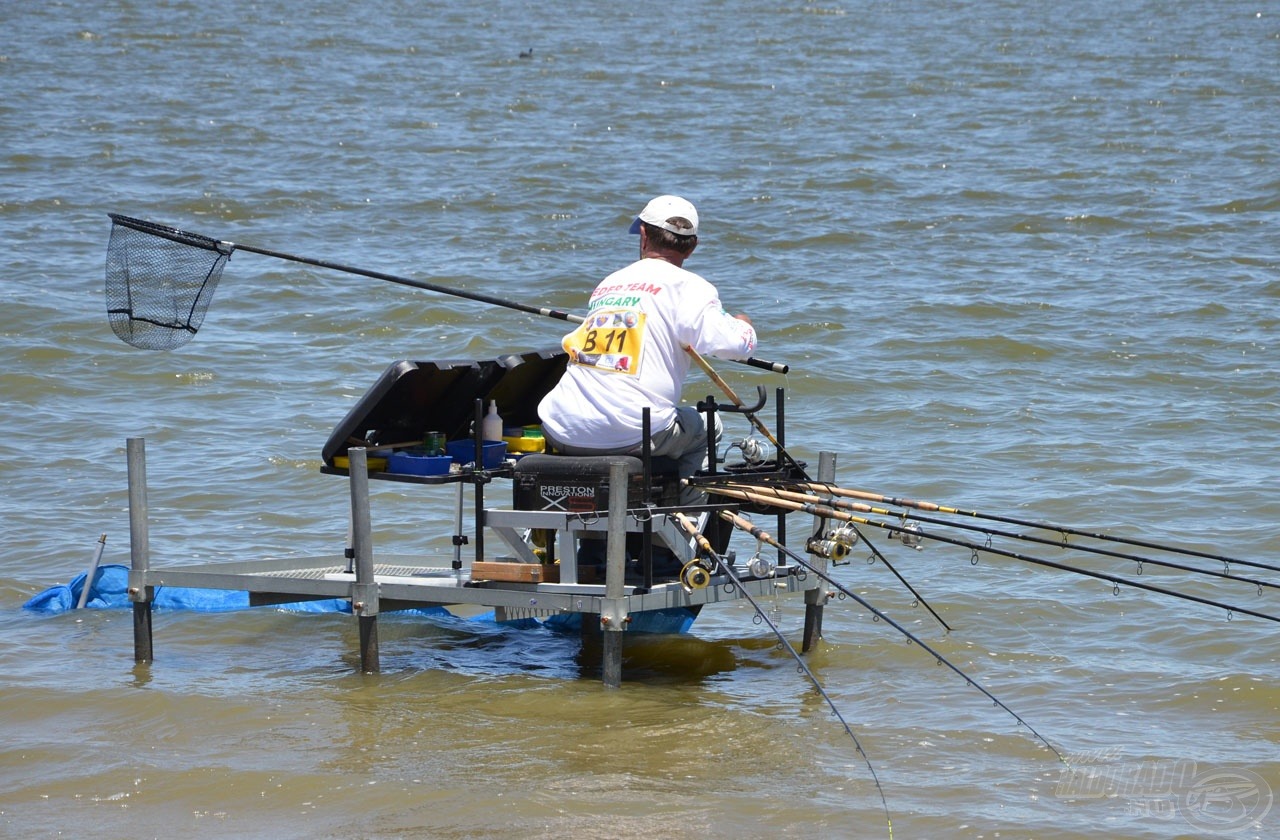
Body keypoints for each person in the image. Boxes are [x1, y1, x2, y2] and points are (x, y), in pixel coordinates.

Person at [537, 195, 757, 482]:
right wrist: (744, 326)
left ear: (643, 235)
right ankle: (687, 516)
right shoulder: (691, 287)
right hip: (631, 433)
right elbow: (734, 346)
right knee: (708, 424)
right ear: (691, 248)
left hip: (560, 426)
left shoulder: (608, 284)